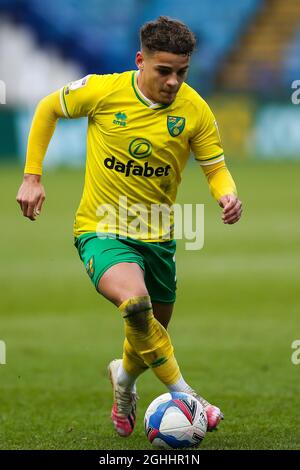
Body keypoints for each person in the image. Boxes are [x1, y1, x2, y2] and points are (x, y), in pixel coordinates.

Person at [16, 16, 243, 438]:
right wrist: (32, 176)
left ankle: (124, 380)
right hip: (99, 229)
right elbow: (48, 107)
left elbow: (216, 168)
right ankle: (191, 397)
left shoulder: (195, 109)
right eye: (164, 70)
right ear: (141, 60)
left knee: (149, 327)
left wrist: (226, 195)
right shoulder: (104, 91)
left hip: (157, 235)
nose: (174, 81)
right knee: (136, 305)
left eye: (182, 72)